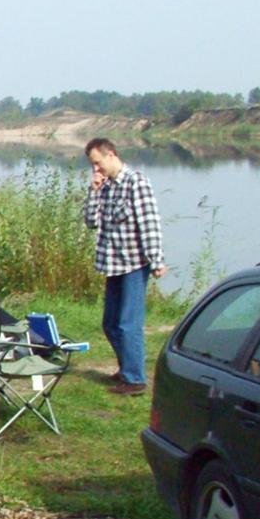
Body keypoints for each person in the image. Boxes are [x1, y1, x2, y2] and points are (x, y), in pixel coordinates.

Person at [82, 138, 167, 396]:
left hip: (134, 264)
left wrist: (157, 260)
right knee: (110, 323)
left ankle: (135, 379)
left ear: (111, 155)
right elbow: (90, 222)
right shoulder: (105, 186)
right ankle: (127, 367)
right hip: (113, 265)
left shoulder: (136, 182)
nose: (96, 169)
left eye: (98, 163)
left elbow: (149, 224)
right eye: (92, 165)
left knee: (129, 324)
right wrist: (93, 191)